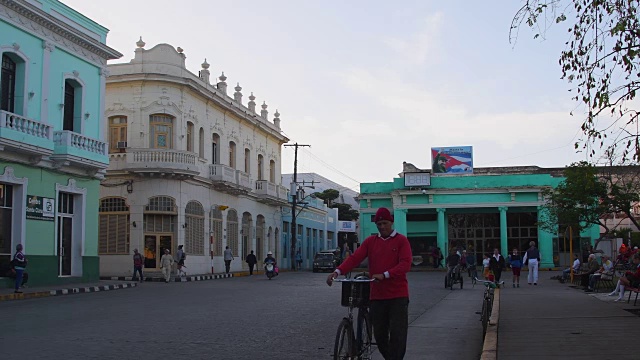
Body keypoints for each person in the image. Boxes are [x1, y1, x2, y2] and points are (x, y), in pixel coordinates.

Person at [326, 207, 412, 360]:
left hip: (398, 296)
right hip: (377, 296)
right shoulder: (371, 242)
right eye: (379, 224)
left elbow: (405, 264)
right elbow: (354, 258)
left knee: (398, 335)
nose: (382, 227)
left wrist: (385, 275)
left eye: (385, 223)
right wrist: (337, 272)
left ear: (391, 222)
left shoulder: (401, 241)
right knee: (379, 335)